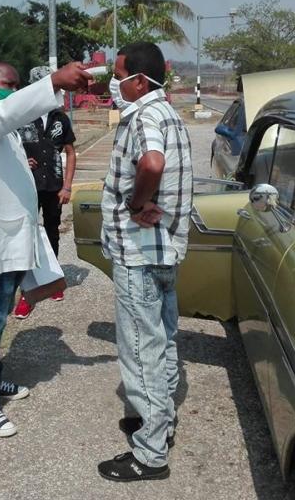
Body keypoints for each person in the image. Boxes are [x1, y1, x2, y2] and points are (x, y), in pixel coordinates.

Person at [0, 60, 92, 437]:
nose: (12, 91)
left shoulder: (4, 128)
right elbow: (6, 114)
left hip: (9, 240)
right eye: (6, 84)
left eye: (17, 85)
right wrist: (52, 81)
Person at [97, 42, 193, 482]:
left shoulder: (145, 117)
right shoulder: (170, 114)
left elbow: (151, 163)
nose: (113, 83)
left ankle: (150, 454)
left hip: (139, 252)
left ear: (138, 80)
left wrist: (138, 202)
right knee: (164, 340)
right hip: (164, 248)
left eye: (118, 75)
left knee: (141, 352)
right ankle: (160, 424)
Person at [13, 65, 77, 319]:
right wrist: (20, 160)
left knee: (52, 231)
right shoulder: (19, 117)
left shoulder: (60, 118)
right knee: (25, 235)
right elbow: (6, 149)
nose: (56, 92)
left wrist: (68, 185)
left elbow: (70, 152)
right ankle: (25, 293)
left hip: (53, 186)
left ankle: (52, 281)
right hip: (26, 188)